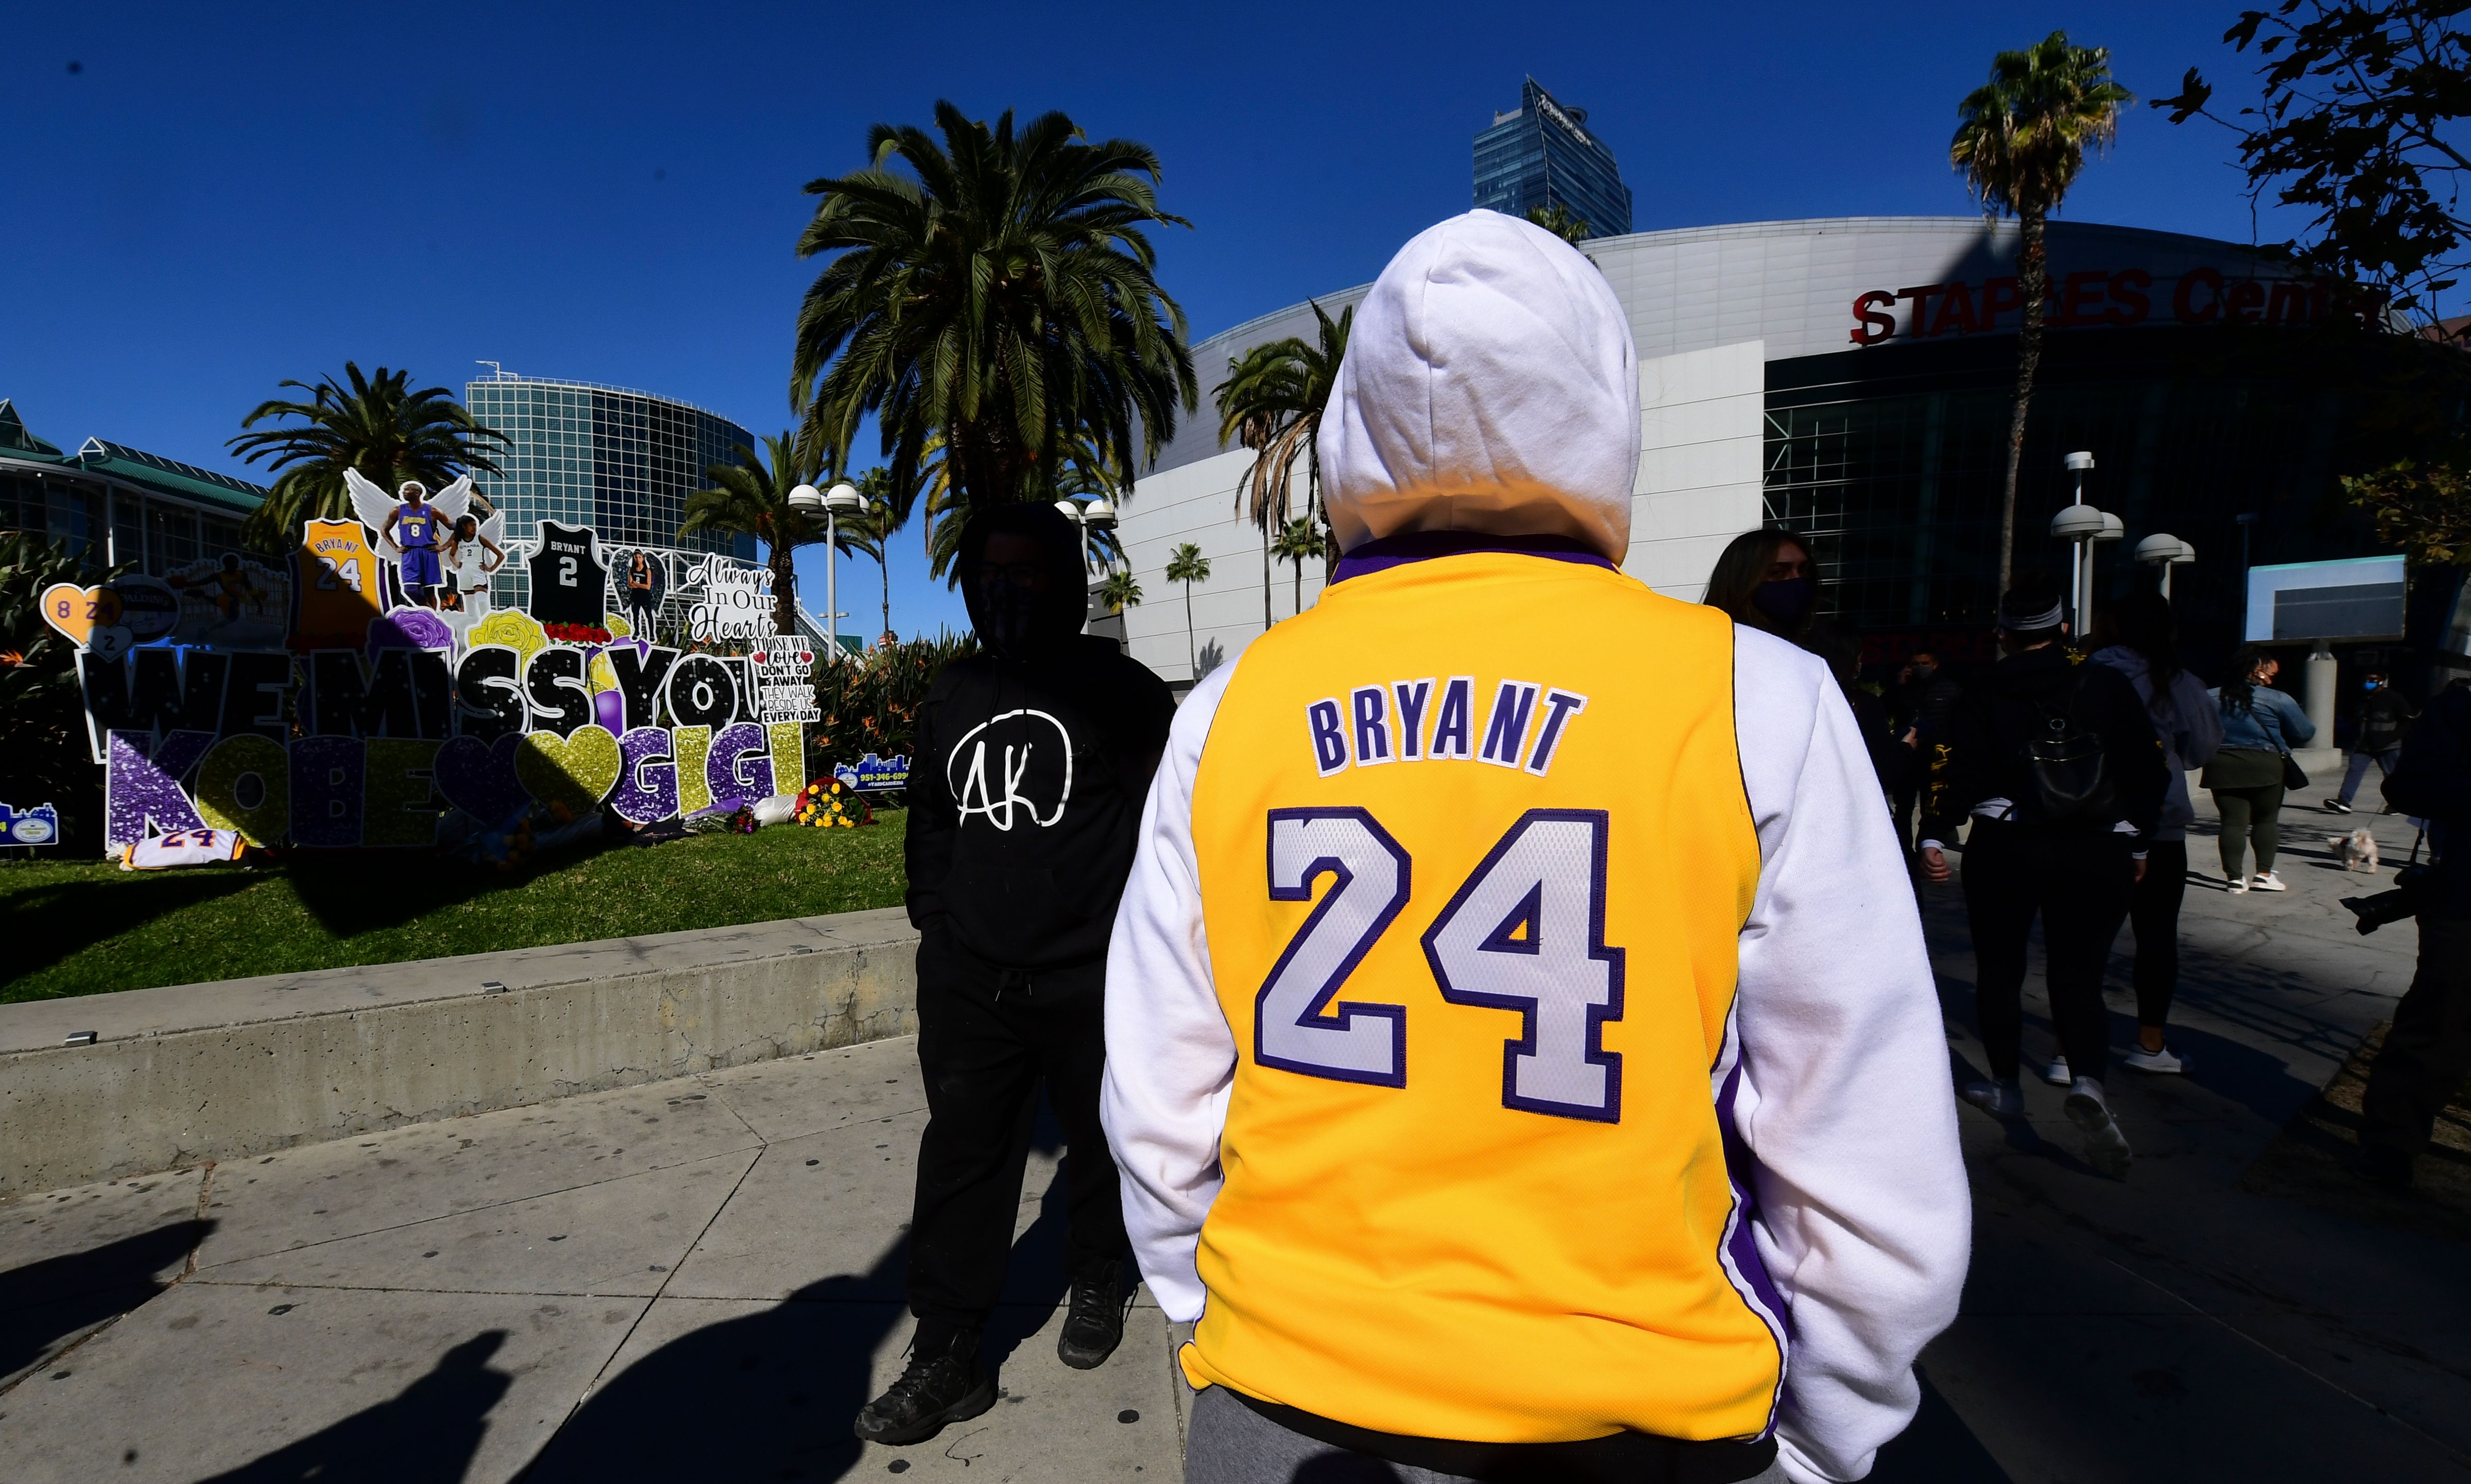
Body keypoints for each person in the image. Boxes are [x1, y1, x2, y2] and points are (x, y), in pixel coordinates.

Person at [1104, 211, 1969, 1484]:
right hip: (1638, 1413)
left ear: (1356, 421)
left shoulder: (1230, 708)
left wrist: (1209, 1311)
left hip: (1288, 1401)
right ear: (1601, 405)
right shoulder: (1750, 696)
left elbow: (1158, 1100)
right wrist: (1826, 1434)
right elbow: (1862, 1147)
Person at [853, 502, 1176, 1447]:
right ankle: (948, 1351)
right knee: (962, 1160)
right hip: (970, 984)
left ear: (1069, 581)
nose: (1008, 590)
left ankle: (1094, 1276)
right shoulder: (955, 691)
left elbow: (1166, 834)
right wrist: (937, 920)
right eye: (991, 573)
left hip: (1093, 980)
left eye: (1030, 572)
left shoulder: (1123, 692)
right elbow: (932, 822)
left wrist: (1135, 953)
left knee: (1100, 1142)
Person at [1919, 571, 2166, 1175]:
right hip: (2095, 845)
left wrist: (1936, 830)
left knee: (2000, 970)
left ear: (2003, 634)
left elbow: (1955, 765)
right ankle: (2086, 1080)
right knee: (2079, 974)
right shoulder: (2105, 685)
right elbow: (2146, 767)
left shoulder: (1981, 690)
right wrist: (2139, 839)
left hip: (2006, 843)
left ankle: (2006, 1086)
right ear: (2062, 629)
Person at [2090, 591, 2223, 1074]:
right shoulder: (2180, 682)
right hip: (2159, 825)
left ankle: (2068, 1049)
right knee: (2156, 937)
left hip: (2089, 821)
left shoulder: (2085, 674)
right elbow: (2203, 748)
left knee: (2082, 940)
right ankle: (2150, 1044)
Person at [2357, 667, 2471, 1188]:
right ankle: (2391, 1144)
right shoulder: (2458, 709)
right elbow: (2409, 786)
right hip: (2466, 900)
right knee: (2441, 1020)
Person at [2203, 645, 2315, 893]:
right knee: (2266, 820)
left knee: (2232, 823)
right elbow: (2306, 733)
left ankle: (2234, 878)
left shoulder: (2208, 697)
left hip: (2222, 764)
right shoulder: (2278, 699)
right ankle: (2264, 875)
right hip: (2267, 765)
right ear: (2257, 670)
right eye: (2270, 674)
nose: (2272, 679)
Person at [2328, 671, 2415, 814]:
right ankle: (2344, 801)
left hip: (2388, 746)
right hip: (2363, 745)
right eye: (2367, 679)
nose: (2369, 682)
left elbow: (2407, 721)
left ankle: (2397, 804)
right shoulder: (2362, 698)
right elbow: (2352, 716)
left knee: (2393, 777)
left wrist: (2392, 737)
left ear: (2382, 681)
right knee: (2354, 771)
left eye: (2373, 679)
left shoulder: (2394, 698)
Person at [381, 480, 445, 608]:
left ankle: (433, 620)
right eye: (404, 490)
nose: (403, 492)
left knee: (430, 591)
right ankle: (430, 613)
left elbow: (455, 527)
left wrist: (444, 546)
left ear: (417, 493)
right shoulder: (397, 511)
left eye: (407, 490)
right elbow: (384, 530)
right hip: (409, 553)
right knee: (410, 590)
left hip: (428, 551)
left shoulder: (433, 511)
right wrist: (396, 547)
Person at [440, 515, 503, 615]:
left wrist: (491, 569)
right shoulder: (458, 540)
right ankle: (473, 624)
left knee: (482, 600)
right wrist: (457, 564)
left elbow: (501, 555)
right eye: (472, 525)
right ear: (464, 526)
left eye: (475, 525)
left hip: (478, 571)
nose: (474, 528)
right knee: (470, 605)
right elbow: (452, 555)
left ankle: (487, 623)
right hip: (464, 572)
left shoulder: (480, 538)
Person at [624, 549, 660, 635]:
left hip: (645, 597)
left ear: (643, 558)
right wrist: (640, 585)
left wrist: (636, 584)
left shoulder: (647, 571)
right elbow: (630, 584)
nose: (638, 559)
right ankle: (637, 631)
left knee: (649, 615)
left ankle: (651, 634)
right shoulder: (632, 570)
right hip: (635, 596)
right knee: (636, 616)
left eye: (640, 557)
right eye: (636, 557)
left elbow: (648, 587)